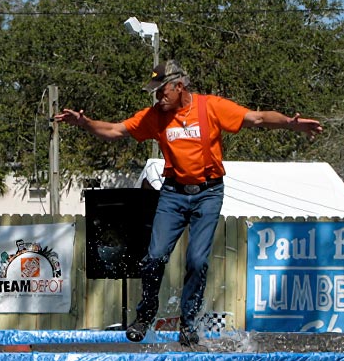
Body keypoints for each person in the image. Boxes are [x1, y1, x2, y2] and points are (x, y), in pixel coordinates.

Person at [55, 60, 323, 345]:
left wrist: (291, 124)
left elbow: (256, 118)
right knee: (154, 257)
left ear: (179, 86)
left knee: (196, 260)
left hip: (208, 193)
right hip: (173, 193)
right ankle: (145, 314)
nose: (159, 98)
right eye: (156, 93)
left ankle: (188, 321)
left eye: (162, 91)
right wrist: (84, 123)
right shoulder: (156, 116)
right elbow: (114, 130)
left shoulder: (211, 107)